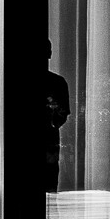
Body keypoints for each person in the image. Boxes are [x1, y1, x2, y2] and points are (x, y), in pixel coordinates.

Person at [45, 39, 70, 193]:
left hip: (49, 139)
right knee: (49, 179)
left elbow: (63, 112)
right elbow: (63, 112)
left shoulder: (57, 82)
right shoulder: (57, 82)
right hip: (49, 138)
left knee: (49, 176)